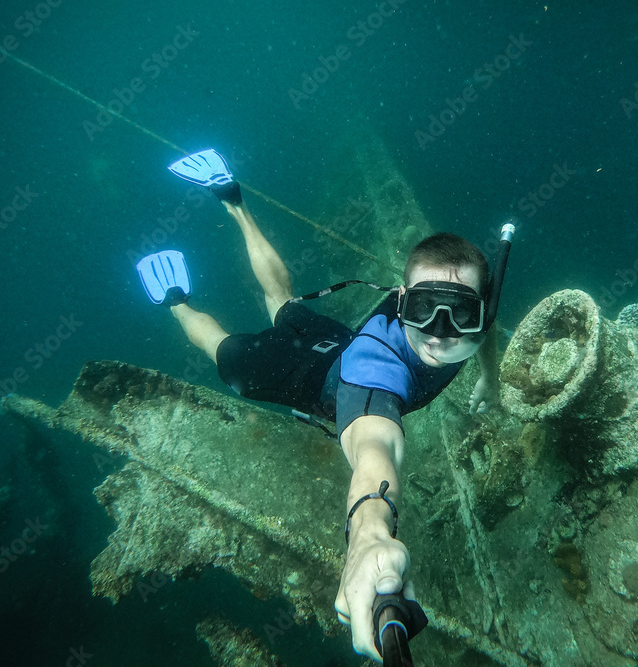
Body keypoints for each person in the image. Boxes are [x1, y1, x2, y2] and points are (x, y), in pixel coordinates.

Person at [135, 149, 506, 661]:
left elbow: (487, 334)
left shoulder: (477, 326)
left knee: (282, 303)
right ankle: (176, 298)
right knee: (220, 350)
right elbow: (374, 447)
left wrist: (488, 375)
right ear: (402, 301)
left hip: (336, 341)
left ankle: (232, 199)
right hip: (302, 379)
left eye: (461, 313)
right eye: (424, 310)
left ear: (483, 311)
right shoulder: (379, 381)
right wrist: (370, 535)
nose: (441, 335)